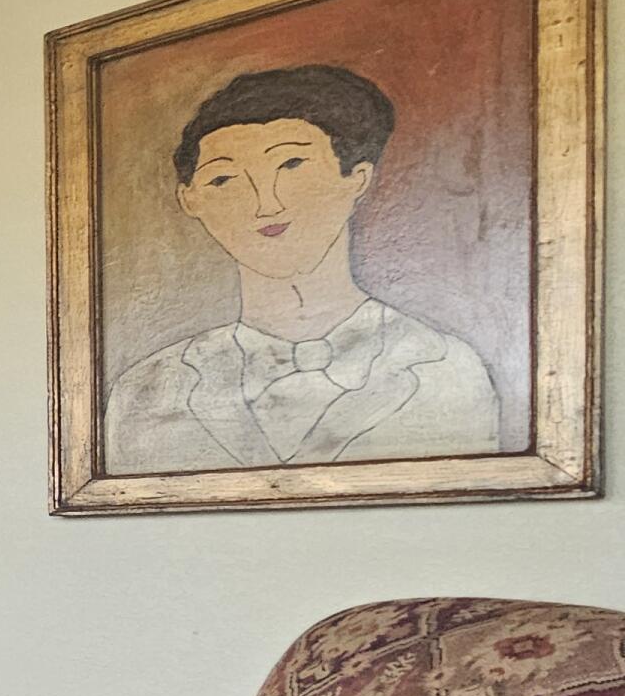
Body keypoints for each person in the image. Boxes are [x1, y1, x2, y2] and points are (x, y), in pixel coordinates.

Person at [105, 64, 500, 473]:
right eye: (223, 179)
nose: (265, 204)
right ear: (190, 200)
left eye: (291, 164)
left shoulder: (443, 367)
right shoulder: (146, 391)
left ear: (357, 178)